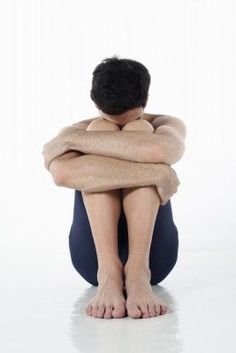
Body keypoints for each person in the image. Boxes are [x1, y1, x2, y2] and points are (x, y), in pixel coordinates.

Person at [42, 56, 186, 320]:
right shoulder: (80, 130)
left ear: (93, 101)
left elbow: (157, 149)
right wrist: (157, 172)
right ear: (146, 98)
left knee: (138, 128)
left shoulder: (165, 125)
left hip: (155, 258)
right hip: (93, 259)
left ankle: (137, 272)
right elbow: (61, 174)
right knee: (100, 128)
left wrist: (78, 142)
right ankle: (109, 272)